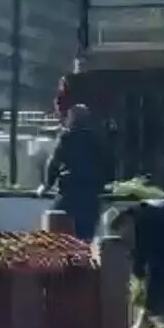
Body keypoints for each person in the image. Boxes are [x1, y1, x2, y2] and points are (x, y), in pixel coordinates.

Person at [35, 104, 112, 242]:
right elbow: (109, 163)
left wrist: (46, 185)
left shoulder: (67, 138)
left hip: (69, 194)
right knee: (86, 238)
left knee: (59, 236)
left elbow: (53, 163)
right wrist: (106, 184)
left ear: (71, 119)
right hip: (90, 195)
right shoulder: (98, 139)